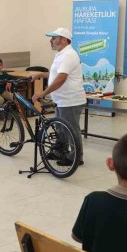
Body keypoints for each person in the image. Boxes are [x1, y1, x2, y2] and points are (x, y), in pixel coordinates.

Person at [31, 28, 87, 164]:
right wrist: (40, 74)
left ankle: (76, 157)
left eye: (54, 38)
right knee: (60, 127)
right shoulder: (61, 54)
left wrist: (43, 93)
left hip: (70, 100)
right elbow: (56, 74)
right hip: (61, 100)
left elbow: (61, 78)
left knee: (71, 130)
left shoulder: (68, 55)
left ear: (64, 40)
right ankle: (60, 151)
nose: (51, 40)